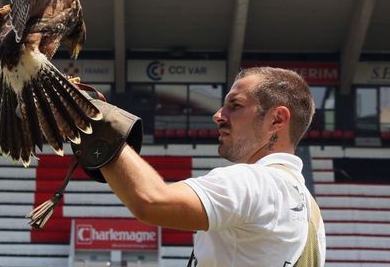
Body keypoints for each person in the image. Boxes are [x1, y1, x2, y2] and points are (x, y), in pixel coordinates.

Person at [76, 66, 326, 267]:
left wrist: (92, 123)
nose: (218, 115)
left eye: (235, 105)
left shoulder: (256, 182)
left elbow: (151, 201)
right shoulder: (310, 211)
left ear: (277, 119)